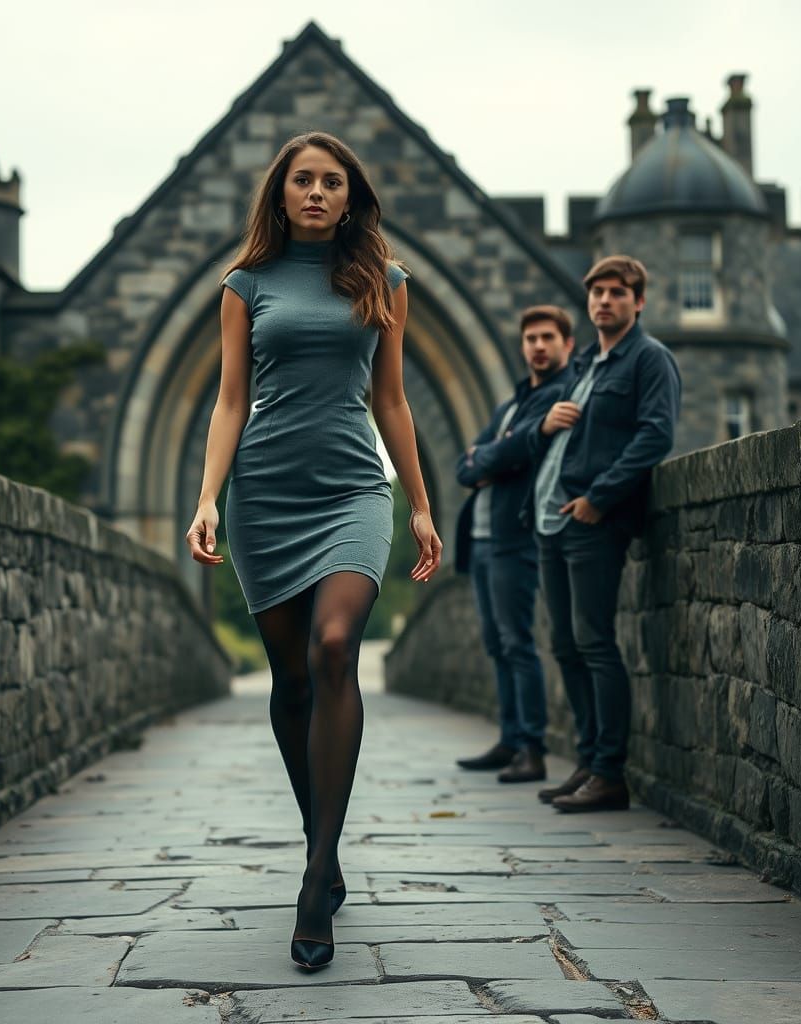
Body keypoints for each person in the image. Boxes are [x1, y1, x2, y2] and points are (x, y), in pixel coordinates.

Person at [186, 132, 441, 971]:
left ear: (351, 194)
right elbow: (229, 402)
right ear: (281, 192)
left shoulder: (385, 283)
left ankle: (315, 875)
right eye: (304, 180)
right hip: (265, 496)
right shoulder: (244, 285)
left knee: (336, 650)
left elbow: (393, 400)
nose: (319, 192)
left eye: (333, 181)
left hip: (352, 493)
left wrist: (422, 504)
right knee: (292, 679)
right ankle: (320, 838)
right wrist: (208, 499)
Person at [528, 254, 680, 813]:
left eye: (617, 293)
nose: (604, 301)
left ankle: (611, 773)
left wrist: (600, 497)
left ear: (638, 301)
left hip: (594, 520)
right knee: (566, 644)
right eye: (597, 293)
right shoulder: (586, 362)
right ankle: (590, 761)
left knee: (594, 641)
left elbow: (655, 436)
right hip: (552, 520)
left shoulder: (650, 359)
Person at [454, 307, 574, 783]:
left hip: (515, 538)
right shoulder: (512, 405)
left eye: (547, 337)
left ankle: (532, 747)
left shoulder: (563, 397)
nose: (538, 346)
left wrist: (497, 454)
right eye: (530, 339)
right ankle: (509, 739)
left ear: (567, 343)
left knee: (517, 641)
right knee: (496, 643)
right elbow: (466, 467)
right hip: (482, 539)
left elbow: (516, 455)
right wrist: (505, 451)